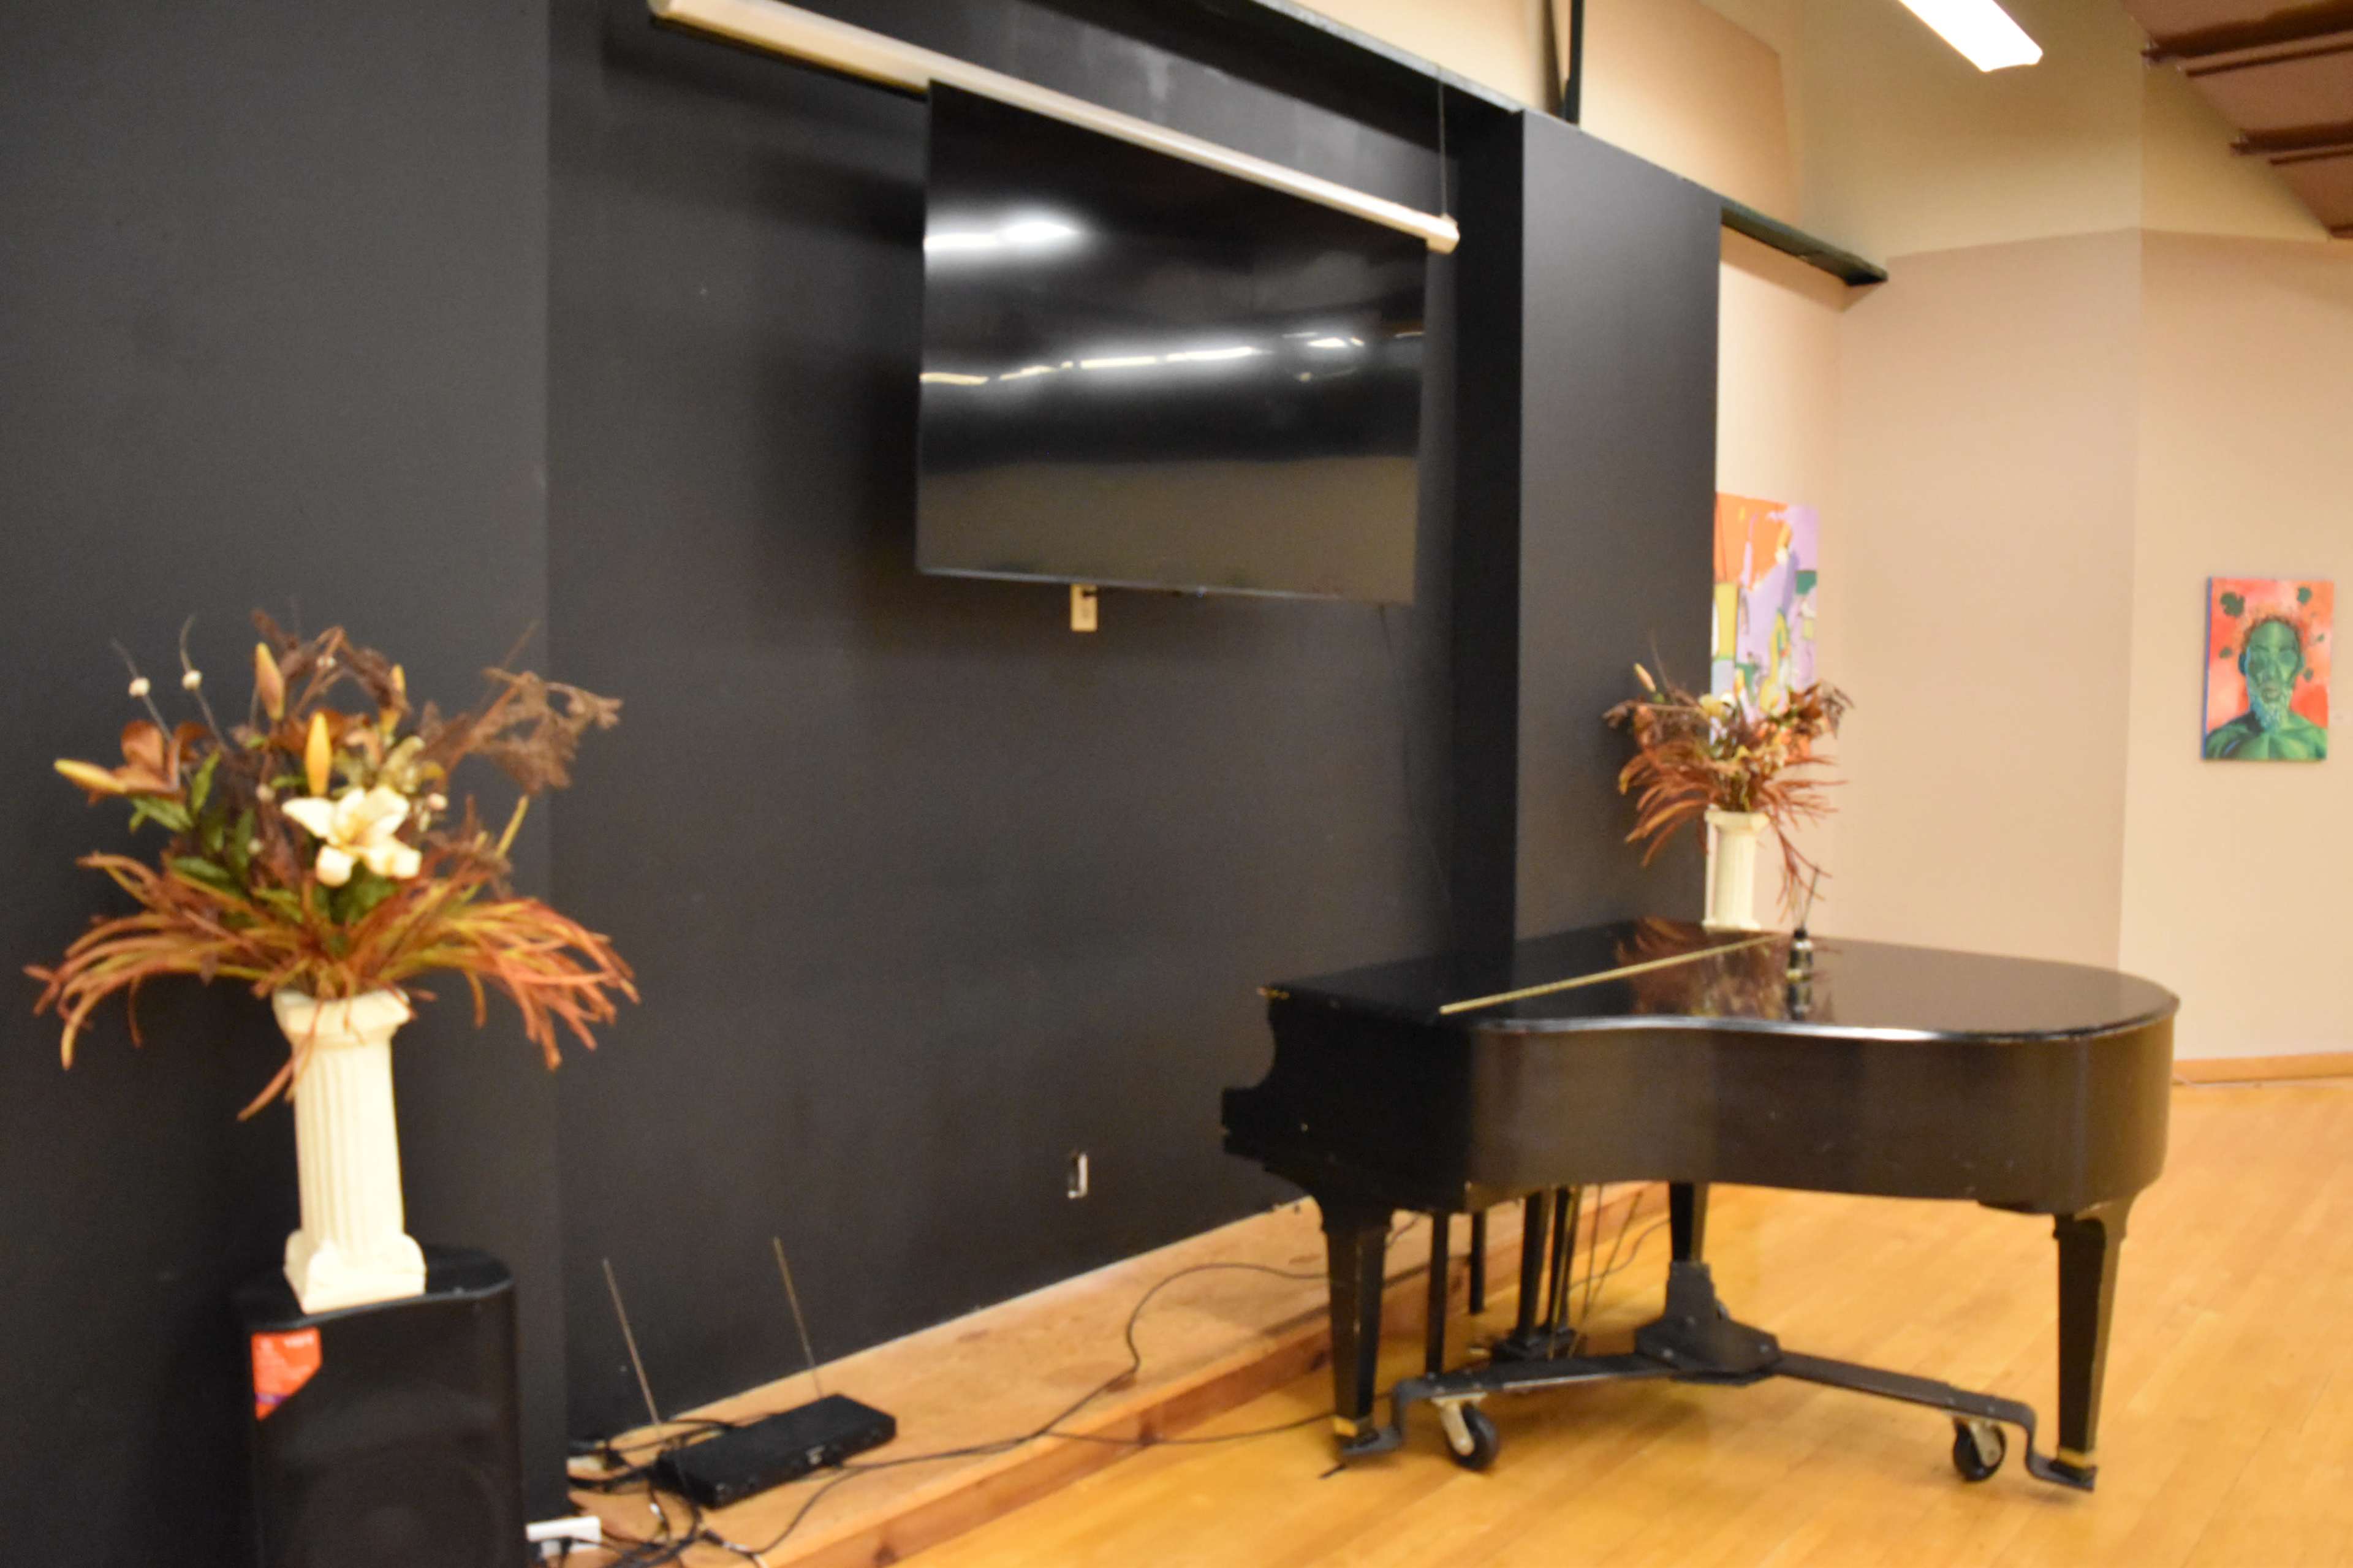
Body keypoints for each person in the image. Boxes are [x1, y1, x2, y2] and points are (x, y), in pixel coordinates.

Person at [2204, 615, 2327, 760]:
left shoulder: (2320, 743)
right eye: (2260, 657)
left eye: (2285, 658)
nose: (2271, 672)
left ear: (2299, 664)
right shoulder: (2217, 744)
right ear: (2243, 664)